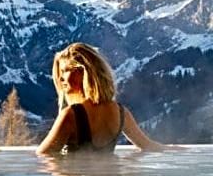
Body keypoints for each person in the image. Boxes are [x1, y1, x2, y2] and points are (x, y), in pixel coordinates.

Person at [35, 42, 170, 155]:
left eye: (65, 71)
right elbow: (148, 146)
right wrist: (177, 151)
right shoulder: (121, 112)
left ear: (84, 72)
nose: (60, 78)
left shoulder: (71, 115)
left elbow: (43, 156)